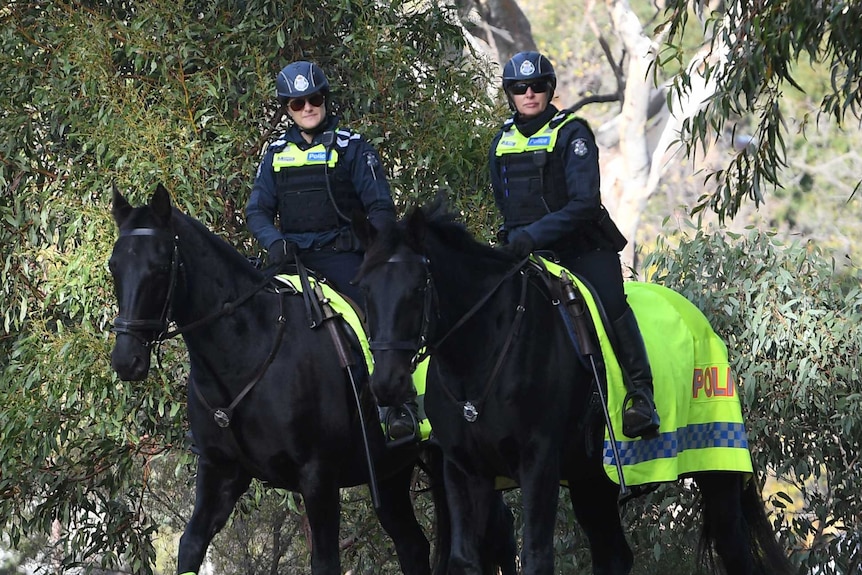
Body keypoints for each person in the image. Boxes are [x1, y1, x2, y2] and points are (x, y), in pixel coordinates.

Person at [488, 51, 660, 439]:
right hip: (526, 254)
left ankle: (640, 395)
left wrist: (533, 235)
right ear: (510, 94)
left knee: (611, 304)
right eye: (519, 88)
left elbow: (584, 204)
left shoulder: (573, 133)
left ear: (550, 89)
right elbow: (502, 199)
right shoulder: (501, 142)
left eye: (537, 87)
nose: (529, 94)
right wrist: (514, 237)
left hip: (581, 249)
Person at [245, 60, 418, 444]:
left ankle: (396, 406)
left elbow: (381, 209)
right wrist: (274, 242)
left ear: (326, 99)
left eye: (315, 98)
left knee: (375, 318)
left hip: (343, 260)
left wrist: (373, 248)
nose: (308, 107)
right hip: (291, 261)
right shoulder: (275, 154)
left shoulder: (354, 148)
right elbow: (256, 210)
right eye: (297, 102)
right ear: (287, 108)